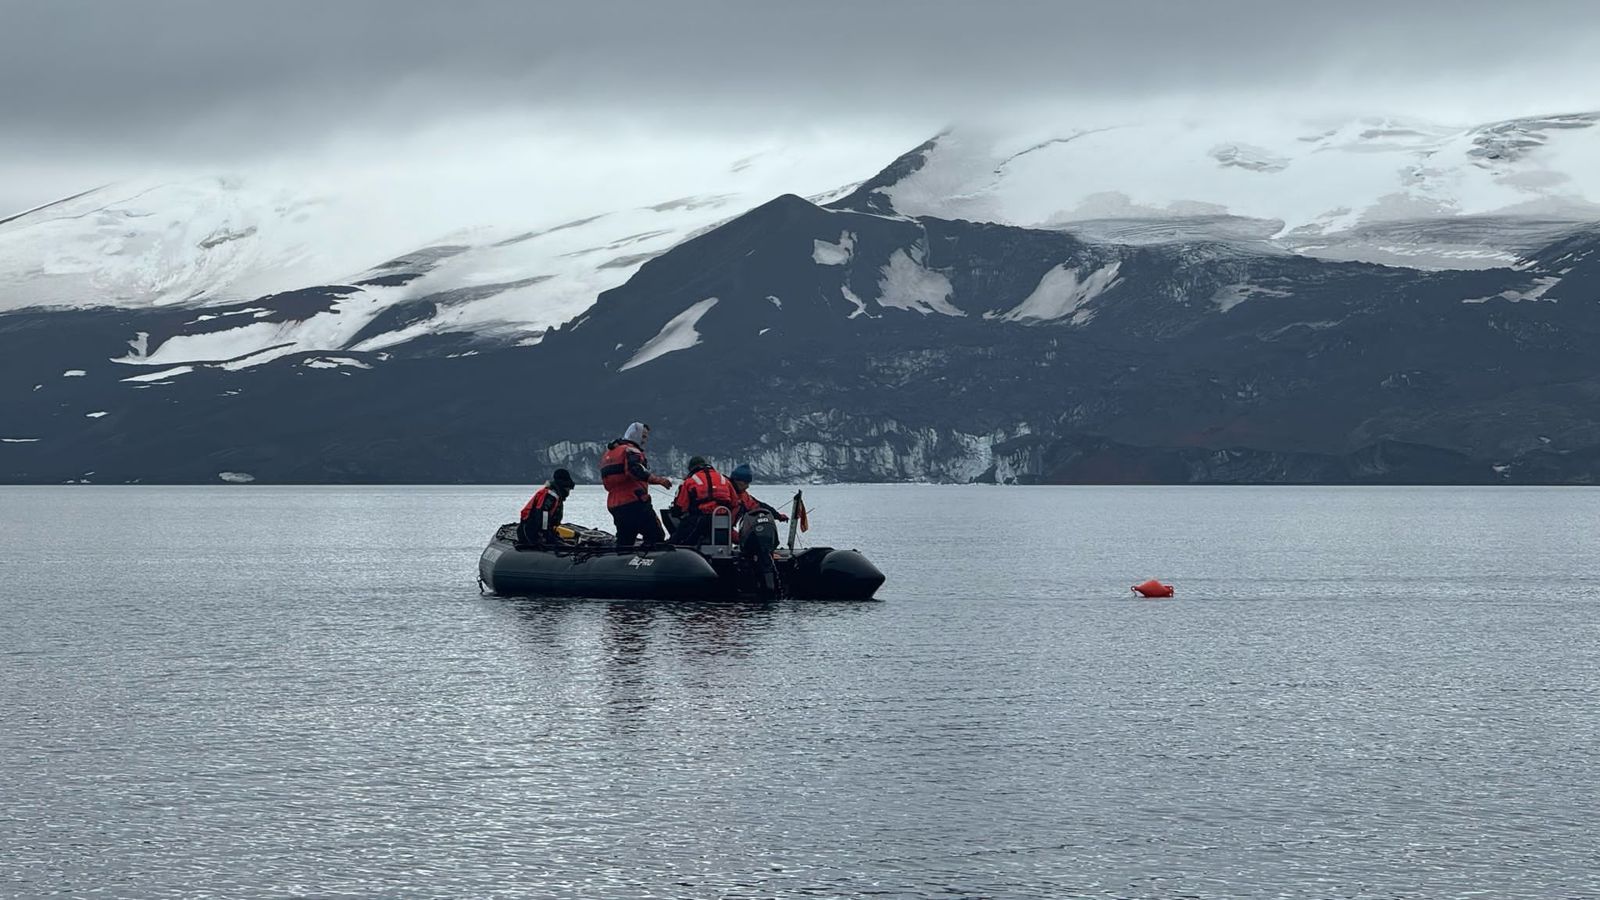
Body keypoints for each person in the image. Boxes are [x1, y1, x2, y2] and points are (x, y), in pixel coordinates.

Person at [600, 422, 672, 549]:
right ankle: (651, 558)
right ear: (635, 435)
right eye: (643, 437)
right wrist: (660, 481)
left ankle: (622, 557)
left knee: (625, 539)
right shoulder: (631, 450)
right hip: (635, 502)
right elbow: (636, 470)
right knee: (656, 536)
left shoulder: (609, 454)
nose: (644, 441)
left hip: (615, 505)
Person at [669, 456, 736, 544]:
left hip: (701, 518)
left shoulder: (690, 481)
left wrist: (675, 511)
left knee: (679, 538)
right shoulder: (723, 479)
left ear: (691, 468)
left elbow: (681, 505)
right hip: (723, 518)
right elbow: (735, 502)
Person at [518, 467, 575, 547]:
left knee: (559, 542)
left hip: (536, 530)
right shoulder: (550, 496)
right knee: (556, 544)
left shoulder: (554, 495)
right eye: (568, 489)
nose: (568, 492)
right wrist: (545, 534)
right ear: (564, 487)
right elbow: (543, 514)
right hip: (529, 531)